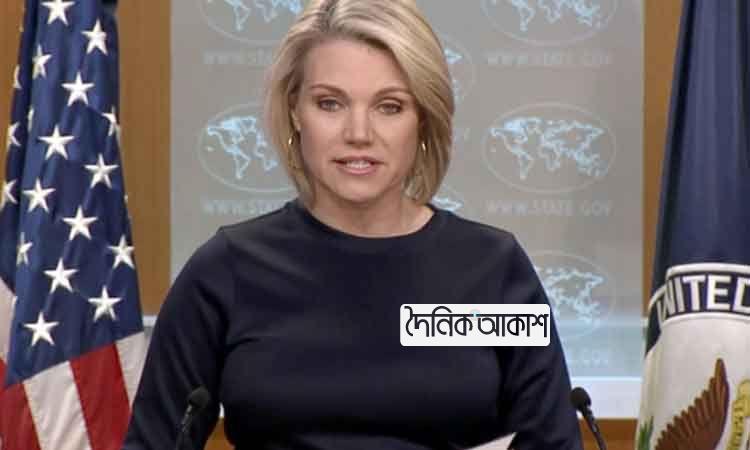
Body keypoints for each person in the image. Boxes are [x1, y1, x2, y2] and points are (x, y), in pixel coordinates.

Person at [122, 0, 583, 449]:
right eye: (330, 103)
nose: (359, 133)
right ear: (295, 112)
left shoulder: (491, 270)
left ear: (423, 118)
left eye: (389, 106)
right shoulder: (227, 271)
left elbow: (550, 439)